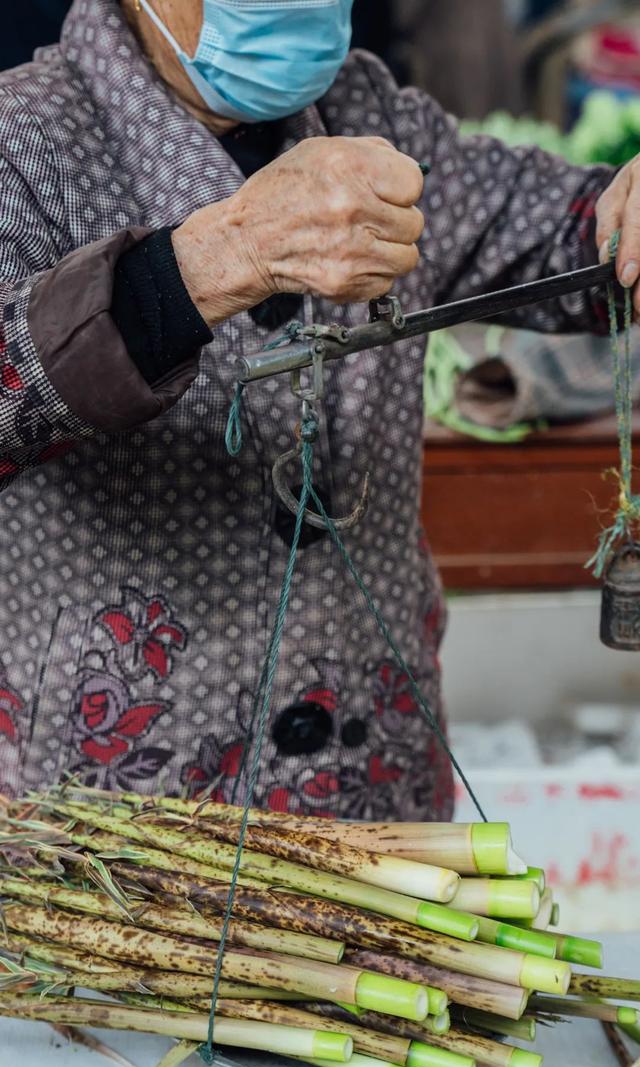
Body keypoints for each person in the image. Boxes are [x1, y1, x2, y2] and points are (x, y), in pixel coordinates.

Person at [0, 0, 638, 821]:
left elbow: (566, 232)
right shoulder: (26, 140)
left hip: (377, 796)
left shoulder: (371, 116)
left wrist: (618, 216)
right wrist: (216, 260)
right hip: (116, 822)